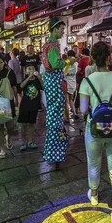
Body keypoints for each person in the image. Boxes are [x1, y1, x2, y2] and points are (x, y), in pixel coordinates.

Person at [79, 42, 112, 223]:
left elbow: (83, 110)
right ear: (109, 57)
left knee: (94, 163)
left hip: (94, 129)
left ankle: (94, 194)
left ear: (92, 58)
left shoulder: (87, 81)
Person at [41, 18, 69, 168]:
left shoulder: (47, 44)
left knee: (53, 114)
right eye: (61, 29)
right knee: (56, 116)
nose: (63, 31)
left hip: (51, 82)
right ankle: (55, 152)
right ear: (55, 29)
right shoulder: (52, 46)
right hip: (55, 83)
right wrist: (66, 61)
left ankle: (53, 151)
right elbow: (55, 63)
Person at [18, 65, 44, 150]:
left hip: (34, 105)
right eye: (29, 69)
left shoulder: (36, 80)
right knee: (23, 124)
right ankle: (23, 142)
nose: (32, 70)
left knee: (31, 124)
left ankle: (30, 141)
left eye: (33, 68)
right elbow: (21, 86)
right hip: (25, 105)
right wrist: (29, 77)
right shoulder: (25, 79)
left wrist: (40, 78)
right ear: (25, 71)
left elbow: (43, 88)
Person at [63, 50, 79, 119]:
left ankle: (67, 117)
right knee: (71, 100)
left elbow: (63, 73)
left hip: (66, 84)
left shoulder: (66, 64)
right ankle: (75, 113)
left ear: (68, 56)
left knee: (66, 101)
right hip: (73, 83)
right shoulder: (76, 64)